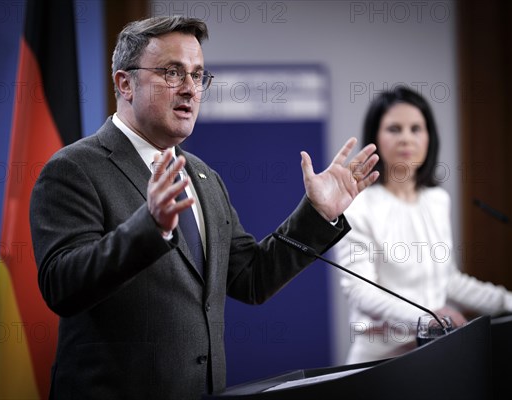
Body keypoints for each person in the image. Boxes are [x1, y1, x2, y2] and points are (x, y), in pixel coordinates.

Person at [29, 16, 379, 400]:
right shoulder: (73, 169)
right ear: (124, 83)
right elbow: (62, 286)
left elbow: (251, 278)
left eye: (198, 75)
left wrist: (316, 213)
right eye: (172, 73)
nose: (190, 89)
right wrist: (150, 227)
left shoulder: (204, 178)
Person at [334, 86, 512, 365]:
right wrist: (428, 317)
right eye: (394, 129)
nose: (406, 138)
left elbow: (448, 280)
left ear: (429, 137)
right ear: (375, 137)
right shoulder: (357, 206)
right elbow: (360, 291)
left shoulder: (437, 200)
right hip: (380, 360)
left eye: (416, 128)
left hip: (437, 354)